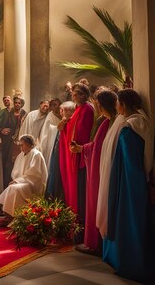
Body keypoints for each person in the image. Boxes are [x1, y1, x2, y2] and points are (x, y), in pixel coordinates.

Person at [102, 89, 155, 282]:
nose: (116, 106)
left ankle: (131, 264)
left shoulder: (128, 129)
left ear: (123, 104)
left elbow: (129, 163)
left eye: (118, 103)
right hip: (143, 178)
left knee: (129, 219)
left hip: (129, 182)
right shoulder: (143, 121)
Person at [69, 89, 116, 255]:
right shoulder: (108, 121)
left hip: (102, 169)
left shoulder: (108, 121)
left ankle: (96, 242)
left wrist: (82, 149)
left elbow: (98, 146)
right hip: (103, 167)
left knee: (96, 202)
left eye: (97, 103)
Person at [62, 83, 94, 228]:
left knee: (82, 191)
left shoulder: (87, 109)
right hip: (76, 152)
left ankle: (82, 225)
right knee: (78, 190)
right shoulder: (79, 109)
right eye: (73, 94)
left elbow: (83, 132)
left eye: (77, 94)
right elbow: (72, 128)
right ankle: (78, 223)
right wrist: (64, 125)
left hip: (82, 154)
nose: (74, 96)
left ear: (85, 95)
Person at [0, 135, 47, 220]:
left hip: (32, 184)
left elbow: (34, 174)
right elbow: (15, 171)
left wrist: (18, 181)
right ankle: (10, 215)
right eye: (20, 145)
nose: (20, 147)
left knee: (15, 189)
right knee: (12, 187)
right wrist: (16, 180)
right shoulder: (21, 155)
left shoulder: (36, 155)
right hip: (23, 182)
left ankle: (16, 217)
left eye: (22, 145)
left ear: (29, 145)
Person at [0, 95, 26, 198]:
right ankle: (6, 194)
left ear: (22, 104)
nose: (17, 104)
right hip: (7, 144)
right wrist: (1, 130)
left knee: (19, 167)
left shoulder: (24, 114)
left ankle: (17, 194)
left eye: (19, 103)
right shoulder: (6, 113)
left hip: (20, 145)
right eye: (15, 102)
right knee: (7, 168)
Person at [45, 101, 75, 200]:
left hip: (64, 153)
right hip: (57, 150)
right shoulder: (64, 120)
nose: (61, 112)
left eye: (63, 110)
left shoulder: (71, 121)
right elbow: (59, 128)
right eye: (62, 110)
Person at [39, 98, 61, 165]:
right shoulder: (50, 115)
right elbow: (46, 130)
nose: (53, 106)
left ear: (60, 105)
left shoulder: (63, 114)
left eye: (55, 104)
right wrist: (59, 128)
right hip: (52, 141)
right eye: (51, 105)